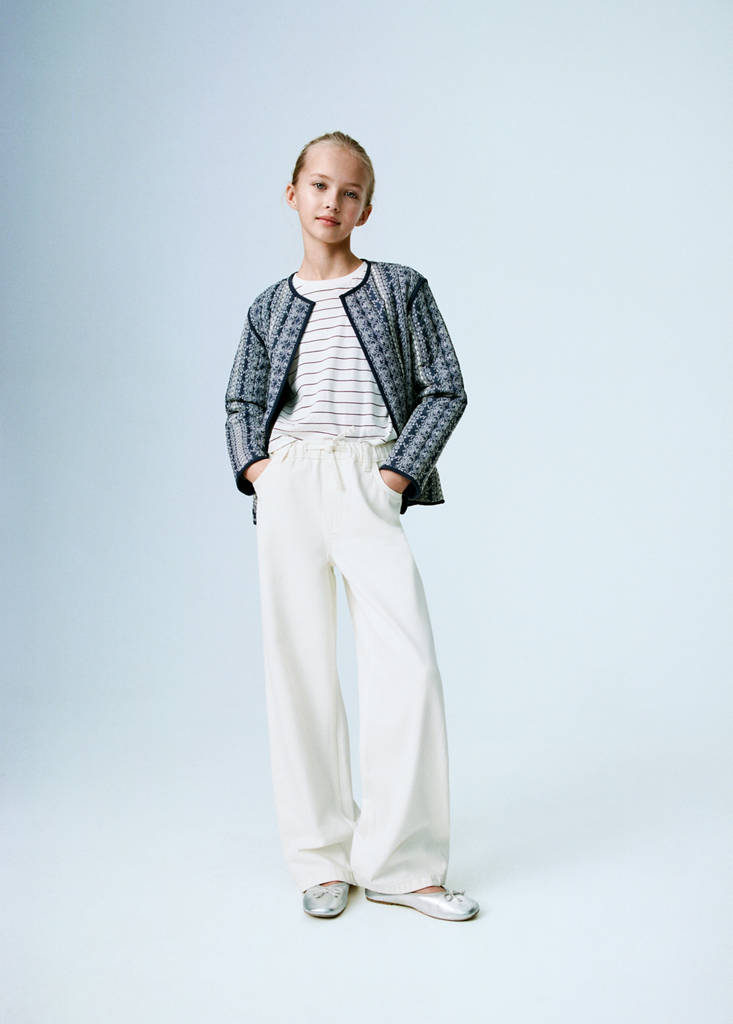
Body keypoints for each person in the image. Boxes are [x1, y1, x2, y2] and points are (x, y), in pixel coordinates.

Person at [224, 131, 479, 922]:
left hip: (366, 477)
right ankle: (320, 858)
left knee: (406, 667)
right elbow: (242, 400)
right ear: (292, 194)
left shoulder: (400, 288)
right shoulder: (268, 306)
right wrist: (258, 469)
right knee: (297, 668)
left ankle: (400, 865)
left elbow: (445, 387)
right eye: (319, 185)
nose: (331, 201)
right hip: (291, 482)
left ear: (366, 208)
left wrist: (396, 475)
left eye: (350, 191)